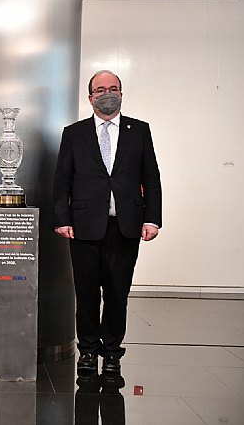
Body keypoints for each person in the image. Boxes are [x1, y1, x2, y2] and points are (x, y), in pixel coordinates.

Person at [52, 70, 162, 376]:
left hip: (125, 226)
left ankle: (112, 353)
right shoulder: (74, 133)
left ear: (122, 94)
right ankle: (87, 351)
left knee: (117, 293)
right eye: (100, 90)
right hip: (84, 226)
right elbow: (62, 181)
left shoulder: (139, 131)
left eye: (113, 89)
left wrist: (153, 218)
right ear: (90, 98)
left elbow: (151, 178)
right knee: (86, 294)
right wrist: (61, 218)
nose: (107, 94)